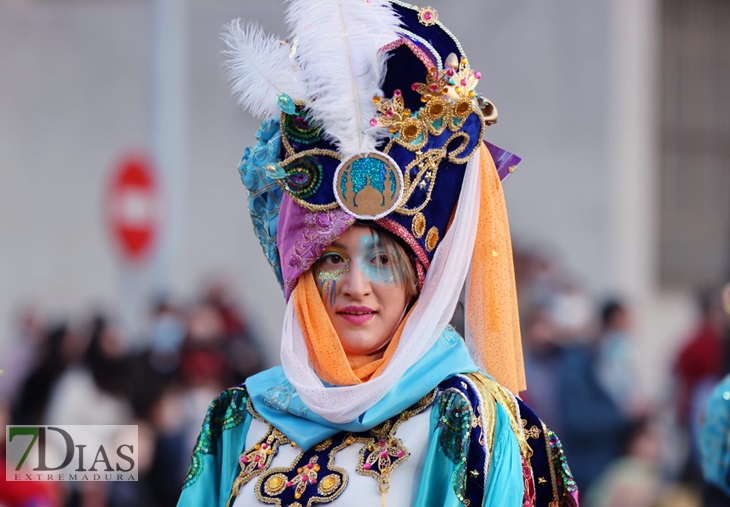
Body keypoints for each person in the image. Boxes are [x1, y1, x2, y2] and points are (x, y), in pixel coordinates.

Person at [178, 1, 578, 505]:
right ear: (300, 272)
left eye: (382, 259)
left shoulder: (465, 420)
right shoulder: (237, 422)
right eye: (331, 259)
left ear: (418, 279)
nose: (355, 286)